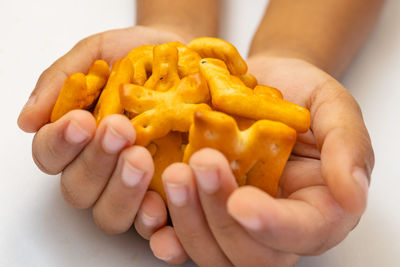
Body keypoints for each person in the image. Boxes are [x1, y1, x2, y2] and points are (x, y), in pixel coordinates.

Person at [17, 0, 383, 265]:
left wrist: (295, 51)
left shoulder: (222, 92)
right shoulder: (160, 84)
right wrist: (174, 23)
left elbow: (274, 110)